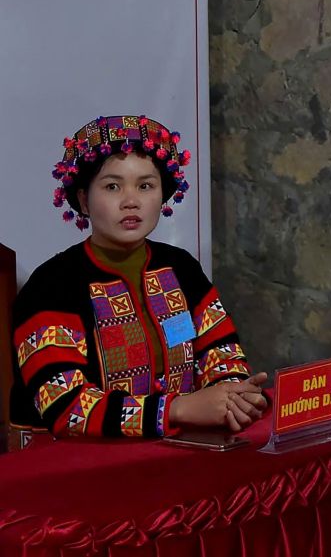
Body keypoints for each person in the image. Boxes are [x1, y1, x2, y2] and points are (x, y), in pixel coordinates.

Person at [10, 115, 267, 438]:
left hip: (180, 448)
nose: (131, 201)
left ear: (162, 196)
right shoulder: (52, 285)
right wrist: (179, 409)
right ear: (83, 200)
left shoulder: (181, 268)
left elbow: (220, 351)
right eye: (112, 186)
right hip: (70, 468)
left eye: (145, 186)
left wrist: (231, 396)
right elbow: (66, 407)